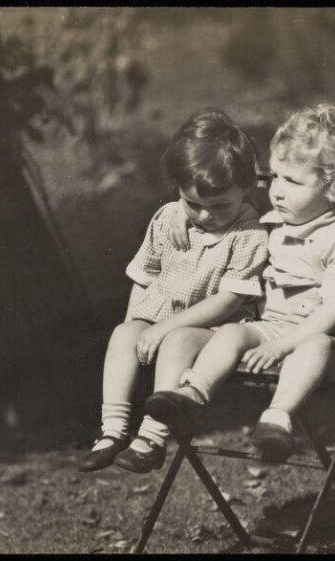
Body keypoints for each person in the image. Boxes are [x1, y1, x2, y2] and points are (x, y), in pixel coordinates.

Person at [145, 103, 335, 460]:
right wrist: (178, 207)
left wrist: (281, 347)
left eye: (293, 181)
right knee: (233, 333)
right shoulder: (273, 220)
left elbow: (331, 314)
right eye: (275, 176)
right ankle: (192, 396)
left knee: (313, 345)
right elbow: (224, 194)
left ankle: (277, 418)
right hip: (272, 329)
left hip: (331, 345)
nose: (277, 190)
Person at [78, 109, 269, 474]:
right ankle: (113, 429)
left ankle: (152, 436)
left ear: (246, 189)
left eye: (218, 206)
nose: (205, 217)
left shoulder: (247, 234)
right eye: (192, 203)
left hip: (215, 330)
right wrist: (136, 328)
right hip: (162, 321)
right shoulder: (169, 218)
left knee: (178, 339)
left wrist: (162, 330)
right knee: (122, 333)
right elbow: (145, 276)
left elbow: (228, 301)